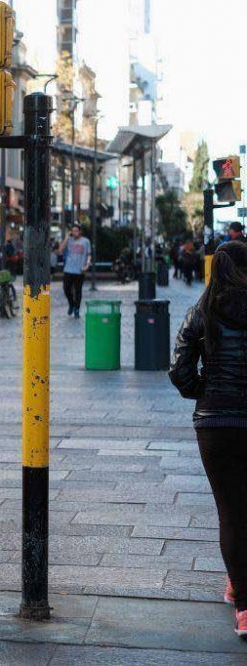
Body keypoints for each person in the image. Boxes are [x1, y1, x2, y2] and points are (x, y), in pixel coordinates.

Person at [169, 239, 247, 637]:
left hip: (216, 425)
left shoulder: (201, 312)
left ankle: (243, 601)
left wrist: (206, 390)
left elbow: (179, 370)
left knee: (231, 513)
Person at [59, 224, 91, 318]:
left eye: (76, 231)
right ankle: (71, 304)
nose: (74, 233)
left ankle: (77, 309)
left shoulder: (85, 241)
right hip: (68, 269)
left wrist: (87, 265)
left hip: (80, 270)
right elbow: (60, 250)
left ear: (80, 231)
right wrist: (66, 237)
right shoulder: (69, 240)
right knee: (66, 288)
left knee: (78, 291)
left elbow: (89, 255)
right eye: (73, 231)